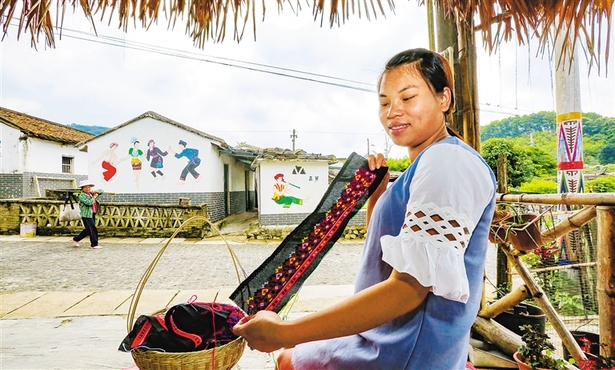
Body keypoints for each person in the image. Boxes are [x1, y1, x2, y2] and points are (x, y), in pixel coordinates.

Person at [232, 48, 496, 370]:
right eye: (384, 103)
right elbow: (388, 250)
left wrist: (286, 333)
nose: (392, 112)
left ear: (443, 99)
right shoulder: (424, 166)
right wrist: (378, 195)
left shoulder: (448, 162)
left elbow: (408, 289)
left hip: (401, 353)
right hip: (382, 336)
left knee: (288, 359)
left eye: (408, 98)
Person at [71, 180, 104, 249]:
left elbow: (101, 191)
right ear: (82, 188)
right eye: (85, 187)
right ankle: (94, 244)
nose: (87, 189)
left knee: (88, 230)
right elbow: (89, 203)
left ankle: (76, 239)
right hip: (86, 215)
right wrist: (94, 197)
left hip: (92, 213)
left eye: (89, 187)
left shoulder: (90, 193)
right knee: (92, 229)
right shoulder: (82, 195)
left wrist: (96, 191)